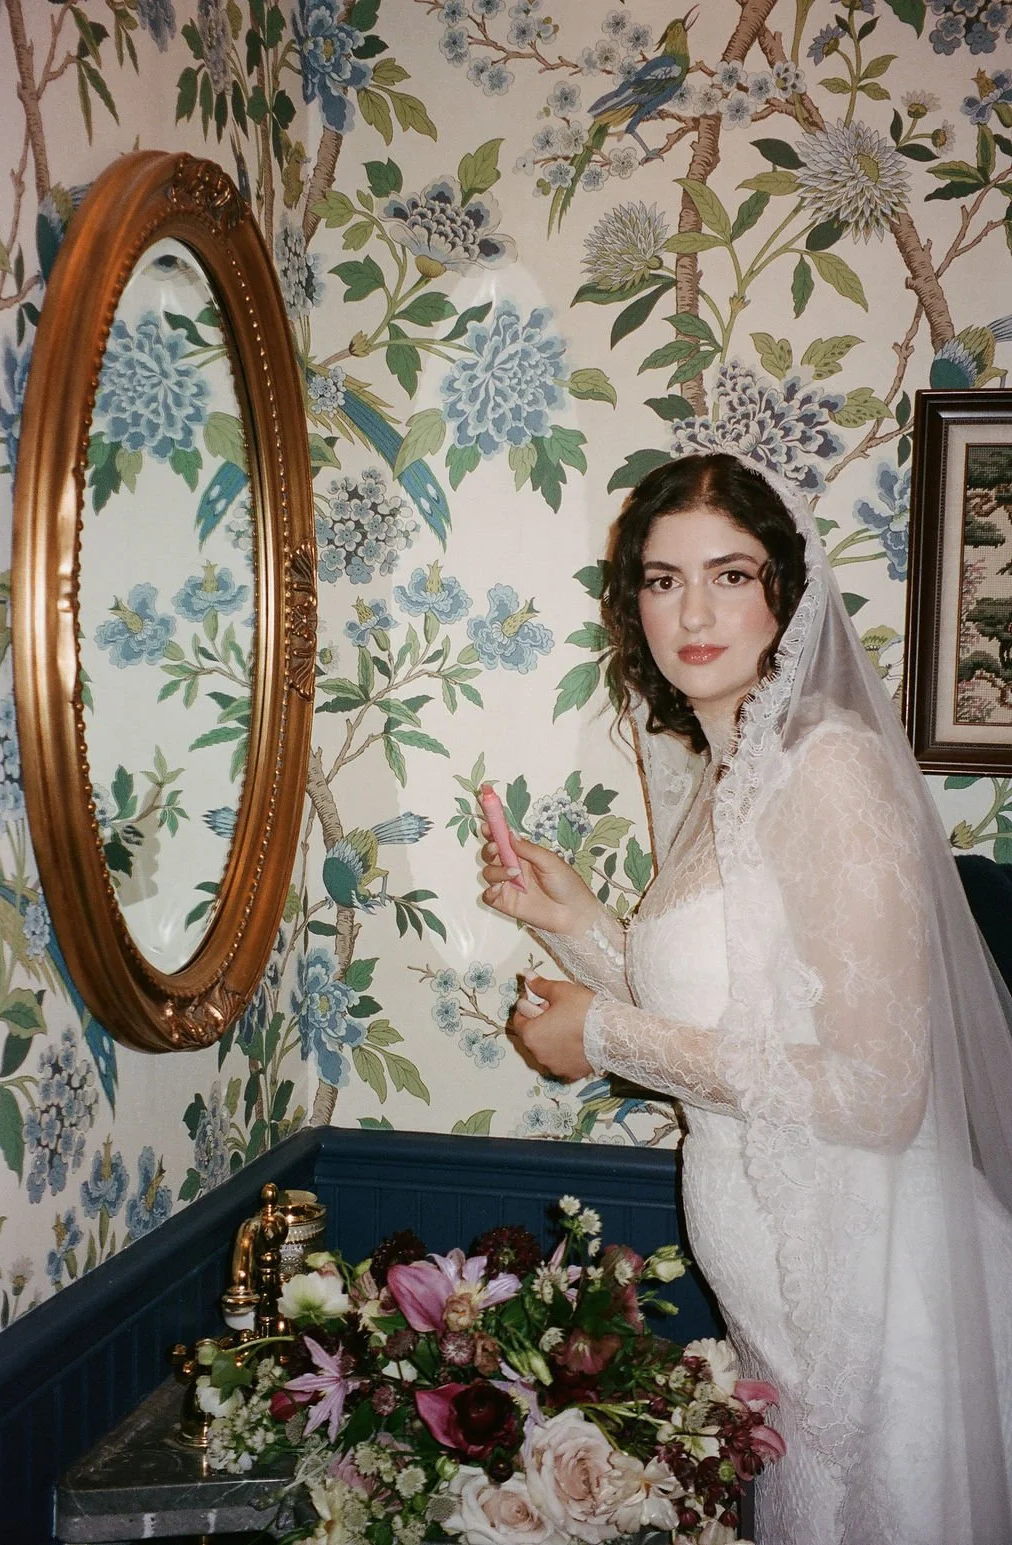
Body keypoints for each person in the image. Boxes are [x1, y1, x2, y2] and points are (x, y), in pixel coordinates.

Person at [479, 451, 1012, 1545]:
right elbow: (733, 1024)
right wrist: (571, 919)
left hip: (867, 1287)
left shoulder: (831, 766)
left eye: (730, 573)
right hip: (780, 1307)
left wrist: (603, 1038)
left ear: (785, 592)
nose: (694, 611)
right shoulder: (725, 771)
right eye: (663, 580)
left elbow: (873, 1090)